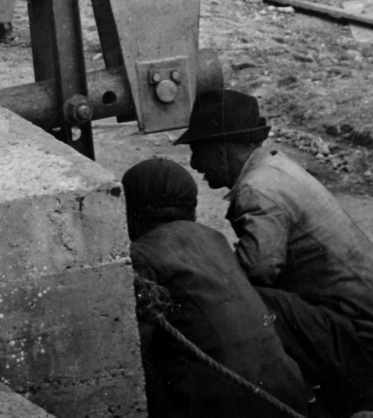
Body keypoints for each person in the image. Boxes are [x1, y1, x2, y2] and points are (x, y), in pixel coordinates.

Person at [177, 89, 373, 415]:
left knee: (245, 301)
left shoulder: (257, 191)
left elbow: (257, 271)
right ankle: (347, 389)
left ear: (220, 150)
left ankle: (307, 402)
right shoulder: (277, 167)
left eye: (196, 152)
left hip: (370, 350)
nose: (194, 164)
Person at [122, 157, 309, 418]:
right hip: (286, 394)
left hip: (223, 405)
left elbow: (136, 344)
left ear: (132, 210)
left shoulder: (142, 254)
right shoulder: (215, 239)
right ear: (192, 207)